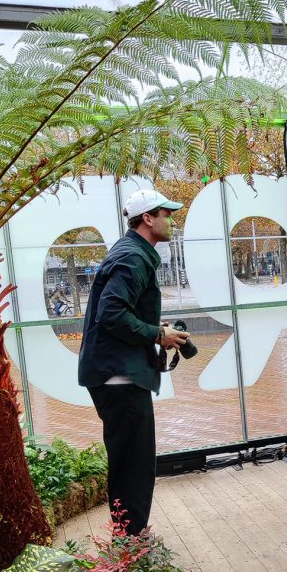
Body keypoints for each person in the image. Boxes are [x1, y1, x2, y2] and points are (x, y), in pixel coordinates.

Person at [78, 188, 189, 535]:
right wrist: (159, 335)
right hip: (120, 378)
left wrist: (160, 331)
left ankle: (129, 534)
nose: (170, 219)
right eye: (165, 214)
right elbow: (111, 315)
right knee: (134, 463)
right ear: (147, 219)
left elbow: (116, 312)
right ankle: (131, 539)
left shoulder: (132, 253)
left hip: (116, 374)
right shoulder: (132, 258)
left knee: (130, 460)